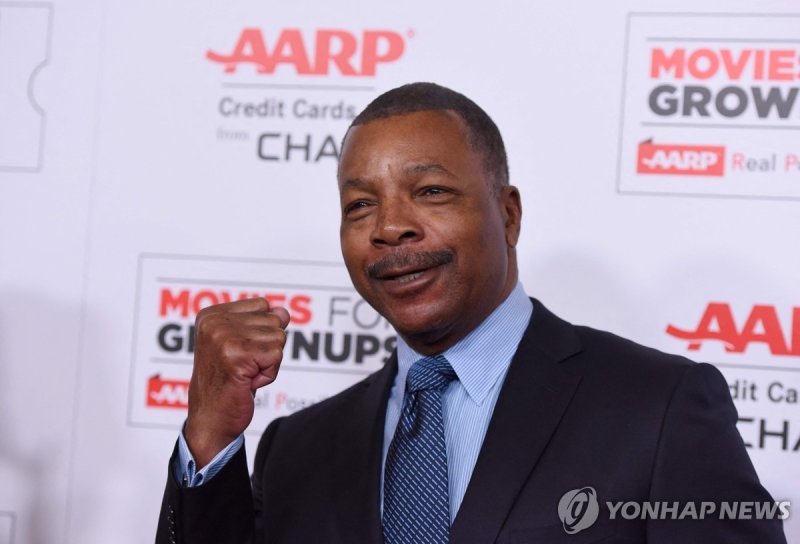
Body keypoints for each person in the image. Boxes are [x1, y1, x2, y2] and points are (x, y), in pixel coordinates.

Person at [156, 82, 786, 543]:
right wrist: (210, 437)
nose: (390, 227)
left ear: (508, 215)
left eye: (430, 191)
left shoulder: (659, 407)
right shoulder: (297, 449)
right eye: (359, 206)